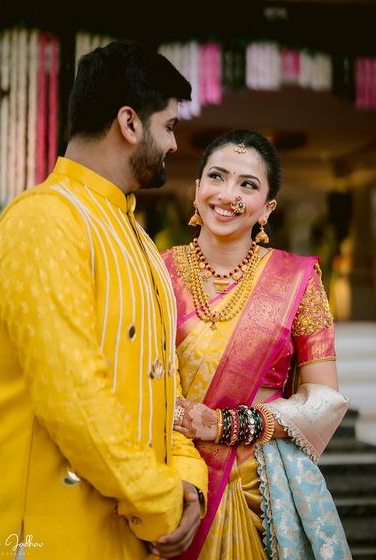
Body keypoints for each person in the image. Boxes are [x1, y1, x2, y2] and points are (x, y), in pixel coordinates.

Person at [0, 40, 208, 560]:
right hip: (50, 538)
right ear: (128, 122)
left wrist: (189, 481)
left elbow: (169, 388)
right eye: (168, 125)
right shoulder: (44, 222)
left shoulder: (140, 243)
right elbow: (74, 398)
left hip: (133, 536)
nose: (173, 143)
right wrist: (163, 500)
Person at [161, 128, 351, 559]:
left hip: (261, 488)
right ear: (196, 191)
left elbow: (325, 401)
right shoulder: (157, 272)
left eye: (247, 184)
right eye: (217, 176)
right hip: (171, 475)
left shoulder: (298, 282)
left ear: (267, 209)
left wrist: (227, 425)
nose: (228, 194)